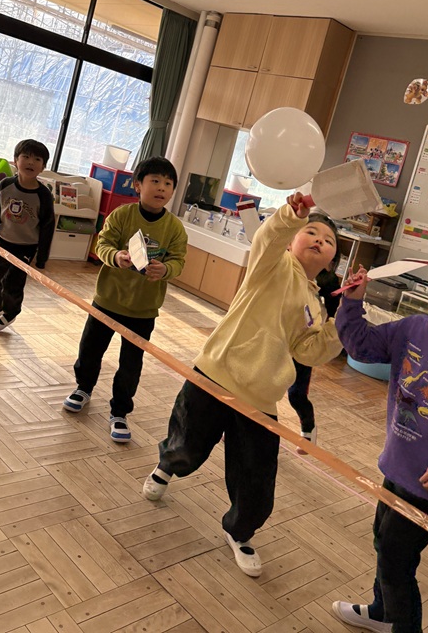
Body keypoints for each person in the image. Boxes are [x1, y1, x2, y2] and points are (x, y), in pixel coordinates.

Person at [142, 192, 342, 576]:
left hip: (262, 396)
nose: (319, 240)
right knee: (187, 440)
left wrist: (341, 323)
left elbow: (311, 352)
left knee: (257, 474)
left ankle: (240, 530)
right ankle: (166, 467)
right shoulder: (273, 264)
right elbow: (268, 237)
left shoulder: (316, 306)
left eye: (328, 240)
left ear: (332, 260)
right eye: (312, 232)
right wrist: (291, 214)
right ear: (293, 239)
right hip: (216, 372)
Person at [332, 258, 428, 633]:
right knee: (383, 543)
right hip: (399, 466)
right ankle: (381, 613)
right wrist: (352, 301)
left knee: (396, 560)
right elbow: (362, 346)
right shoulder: (413, 328)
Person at [63, 156, 187, 443]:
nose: (162, 187)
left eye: (168, 183)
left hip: (143, 310)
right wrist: (115, 256)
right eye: (155, 181)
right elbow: (102, 243)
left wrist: (166, 269)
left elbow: (179, 261)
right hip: (108, 300)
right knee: (90, 349)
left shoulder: (174, 228)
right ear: (138, 185)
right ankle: (83, 388)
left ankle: (119, 411)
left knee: (131, 364)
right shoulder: (122, 215)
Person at [0, 139, 55, 332]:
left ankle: (9, 314)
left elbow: (47, 227)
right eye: (26, 157)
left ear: (43, 167)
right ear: (15, 160)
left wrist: (42, 258)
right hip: (2, 240)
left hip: (25, 247)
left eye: (37, 159)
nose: (31, 162)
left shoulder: (44, 195)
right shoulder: (5, 185)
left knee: (13, 282)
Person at [288, 257, 342, 454]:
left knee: (296, 394)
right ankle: (240, 423)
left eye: (328, 242)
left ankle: (308, 431)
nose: (318, 243)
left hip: (305, 346)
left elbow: (335, 315)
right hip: (278, 339)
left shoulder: (328, 281)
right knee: (260, 386)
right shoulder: (288, 269)